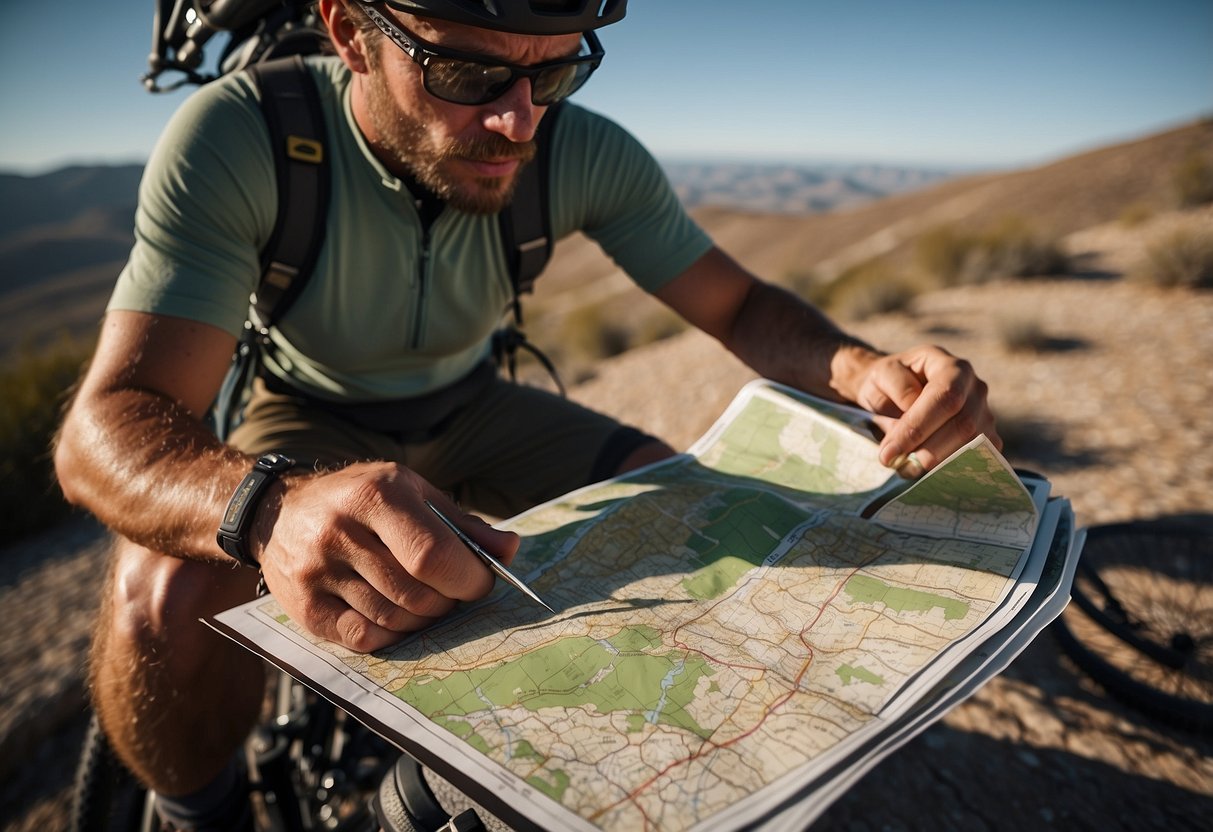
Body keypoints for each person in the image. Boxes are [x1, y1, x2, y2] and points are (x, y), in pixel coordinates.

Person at [54, 1, 999, 829]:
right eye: (466, 71)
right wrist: (271, 508)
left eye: (558, 69)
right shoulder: (244, 136)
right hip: (301, 415)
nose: (519, 121)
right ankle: (199, 816)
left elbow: (739, 306)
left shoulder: (581, 148)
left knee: (685, 507)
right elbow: (111, 425)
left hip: (475, 402)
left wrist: (861, 366)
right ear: (349, 31)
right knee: (164, 599)